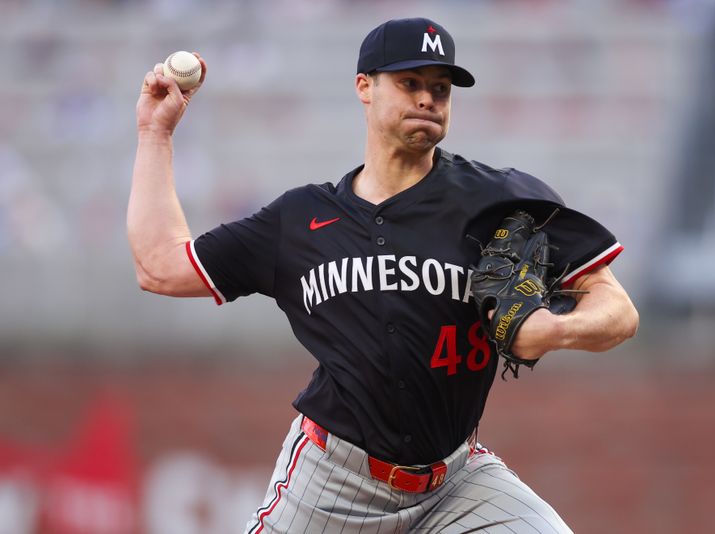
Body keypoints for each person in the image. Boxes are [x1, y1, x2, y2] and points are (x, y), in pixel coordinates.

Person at [129, 17, 639, 534]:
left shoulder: (499, 201)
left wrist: (552, 329)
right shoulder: (300, 221)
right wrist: (156, 132)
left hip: (457, 484)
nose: (427, 99)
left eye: (440, 88)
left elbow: (617, 308)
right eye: (410, 83)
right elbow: (161, 266)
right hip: (333, 484)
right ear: (364, 87)